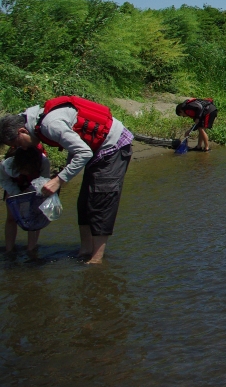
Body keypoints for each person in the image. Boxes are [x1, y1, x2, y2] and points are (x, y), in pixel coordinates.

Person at [0, 96, 133, 264]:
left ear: (22, 131)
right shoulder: (29, 120)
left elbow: (83, 152)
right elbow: (77, 147)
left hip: (113, 146)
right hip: (94, 148)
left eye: (19, 144)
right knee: (84, 202)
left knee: (101, 198)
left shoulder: (50, 125)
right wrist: (63, 174)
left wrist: (58, 181)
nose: (23, 148)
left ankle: (96, 260)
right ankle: (85, 250)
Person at [2, 146, 51, 257]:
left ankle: (31, 249)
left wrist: (32, 191)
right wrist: (16, 193)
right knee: (11, 217)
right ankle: (9, 250)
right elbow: (4, 181)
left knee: (34, 215)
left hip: (36, 183)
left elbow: (44, 181)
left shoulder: (43, 162)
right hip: (14, 183)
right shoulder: (6, 165)